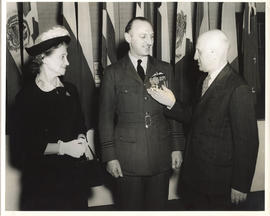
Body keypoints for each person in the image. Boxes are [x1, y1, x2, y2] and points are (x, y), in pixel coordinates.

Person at [147, 30, 259, 210]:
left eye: (199, 51)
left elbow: (248, 142)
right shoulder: (204, 80)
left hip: (218, 182)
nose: (194, 57)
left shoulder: (238, 88)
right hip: (196, 175)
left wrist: (240, 185)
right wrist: (172, 103)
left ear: (213, 53)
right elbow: (195, 116)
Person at [98, 17, 185, 210]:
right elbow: (104, 119)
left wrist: (177, 146)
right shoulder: (113, 73)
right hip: (127, 157)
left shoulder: (164, 69)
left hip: (160, 154)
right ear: (128, 37)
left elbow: (172, 111)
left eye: (152, 36)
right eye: (143, 36)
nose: (149, 41)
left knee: (158, 208)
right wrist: (110, 156)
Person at [15, 26, 93, 210]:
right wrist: (64, 148)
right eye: (62, 57)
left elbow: (80, 123)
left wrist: (82, 139)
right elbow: (23, 148)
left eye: (67, 56)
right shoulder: (26, 97)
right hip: (43, 184)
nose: (67, 63)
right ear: (43, 58)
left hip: (74, 180)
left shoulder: (70, 90)